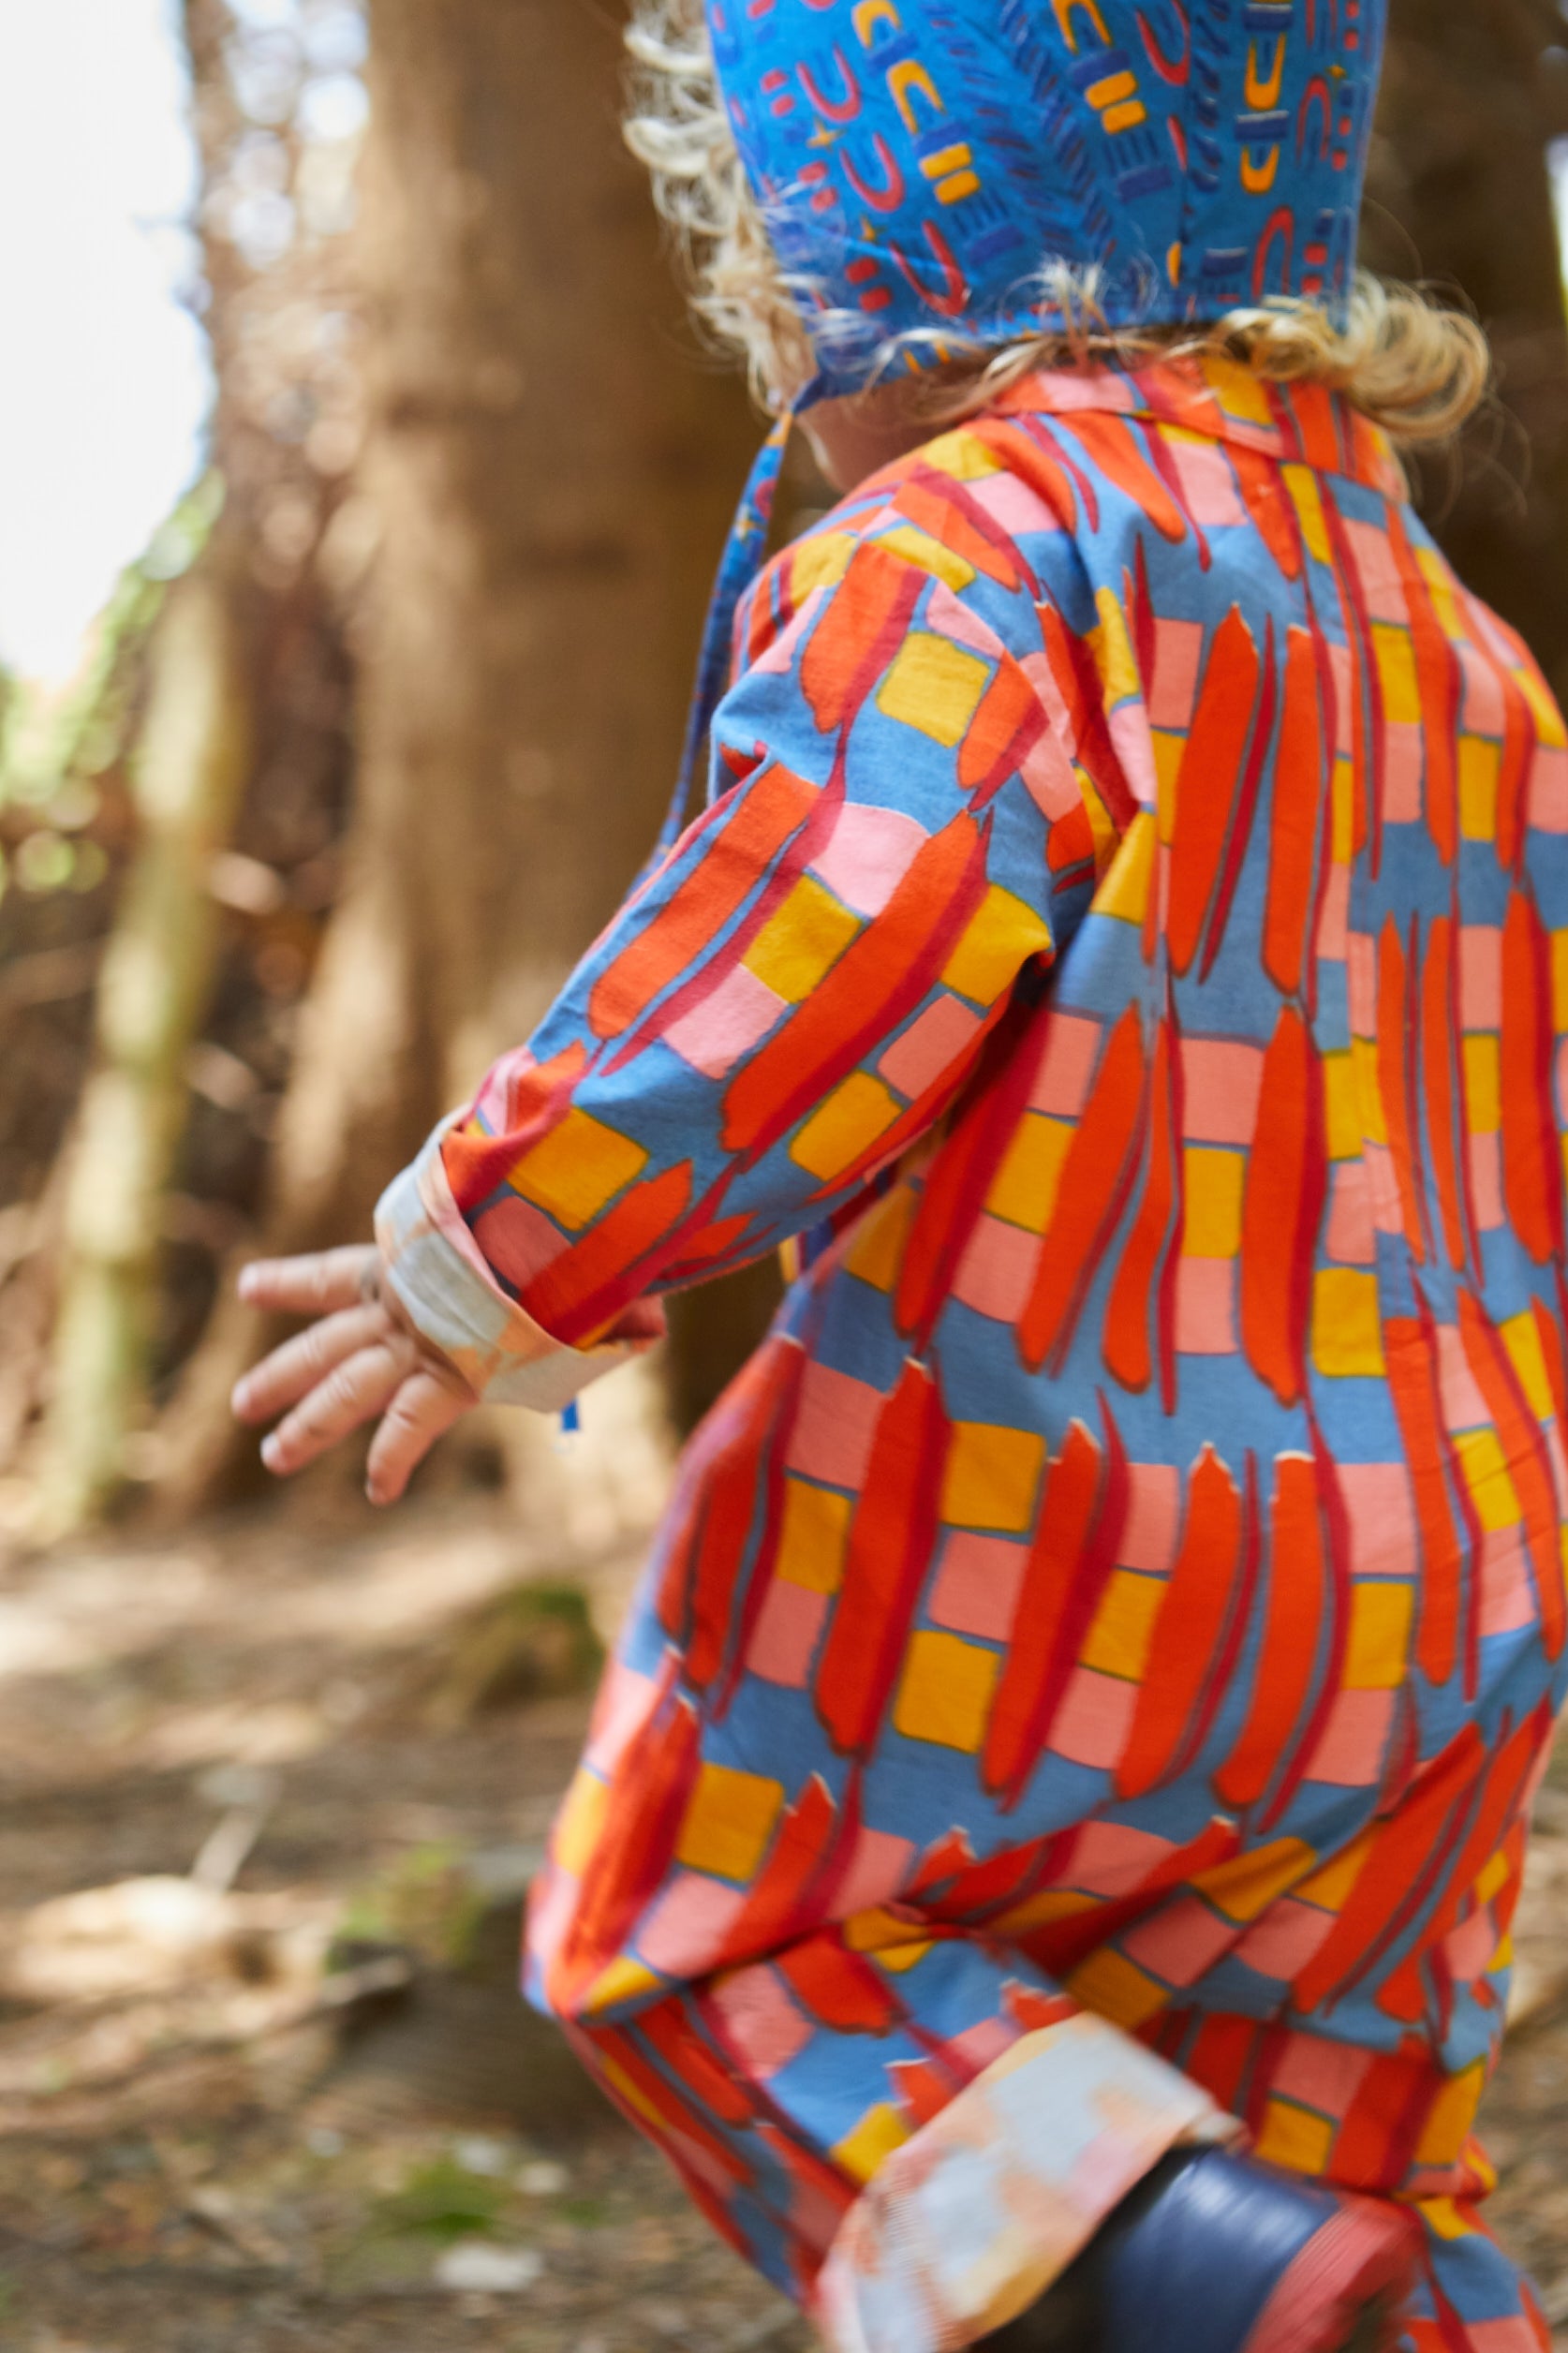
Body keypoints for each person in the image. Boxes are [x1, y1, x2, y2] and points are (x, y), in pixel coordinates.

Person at [230, 4, 1567, 2347]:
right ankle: (1361, 2280)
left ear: (907, 258)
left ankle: (1255, 2291)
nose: (787, 387)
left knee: (712, 1928)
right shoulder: (1450, 651)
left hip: (1052, 1533)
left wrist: (487, 1246)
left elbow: (817, 931)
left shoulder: (980, 544)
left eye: (785, 311)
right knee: (1291, 2088)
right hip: (1452, 1568)